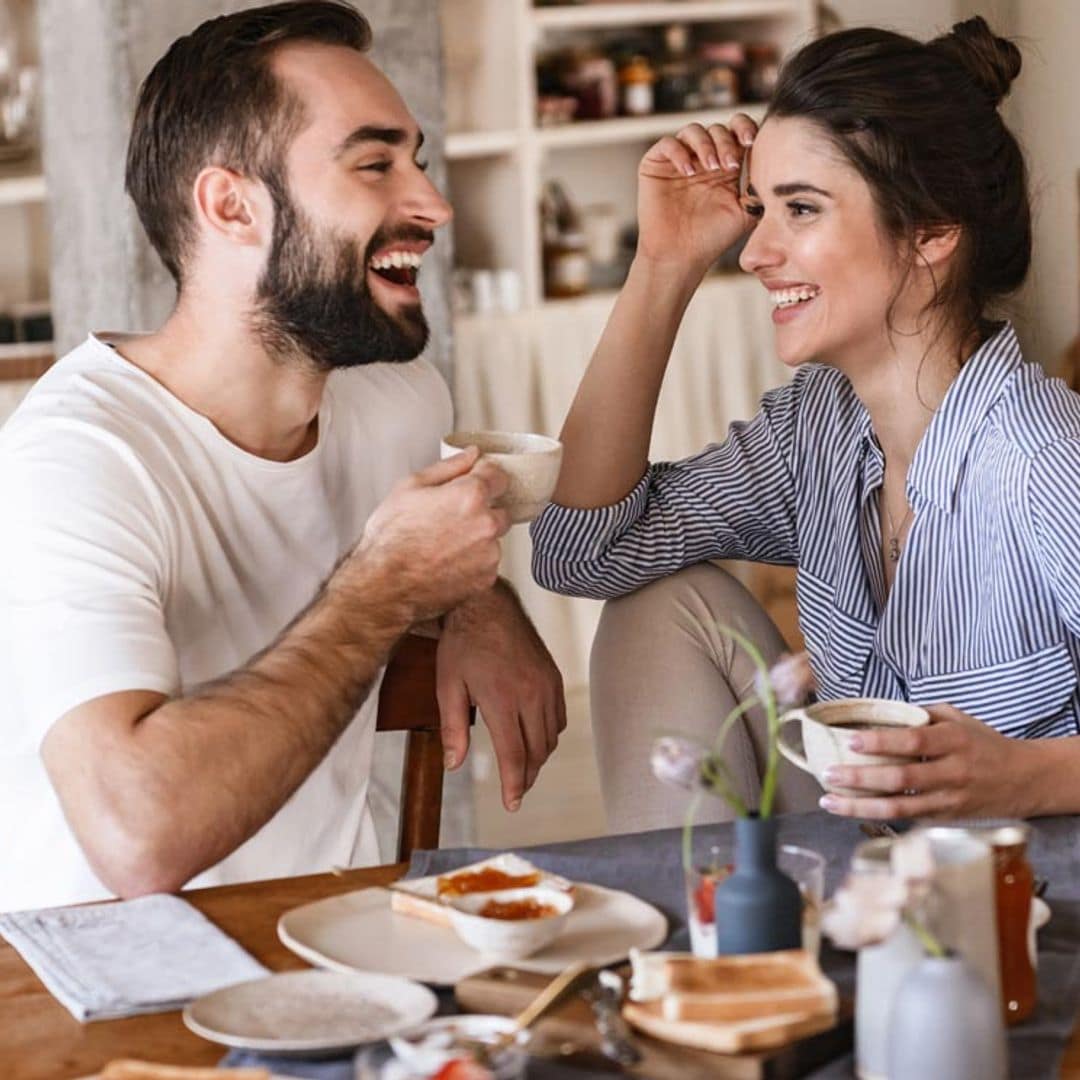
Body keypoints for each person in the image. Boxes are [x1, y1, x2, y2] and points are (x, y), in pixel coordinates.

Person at [0, 0, 565, 913]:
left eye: (414, 161)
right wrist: (386, 588)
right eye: (374, 164)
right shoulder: (75, 462)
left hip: (329, 951)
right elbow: (136, 836)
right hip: (99, 997)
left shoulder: (398, 401)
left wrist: (480, 606)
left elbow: (421, 549)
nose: (432, 204)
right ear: (231, 206)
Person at [531, 16, 1080, 833]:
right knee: (659, 601)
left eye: (801, 209)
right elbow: (581, 554)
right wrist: (664, 265)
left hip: (1019, 914)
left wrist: (1029, 777)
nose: (755, 252)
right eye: (761, 207)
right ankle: (715, 953)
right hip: (864, 875)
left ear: (928, 233)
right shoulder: (815, 431)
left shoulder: (1046, 460)